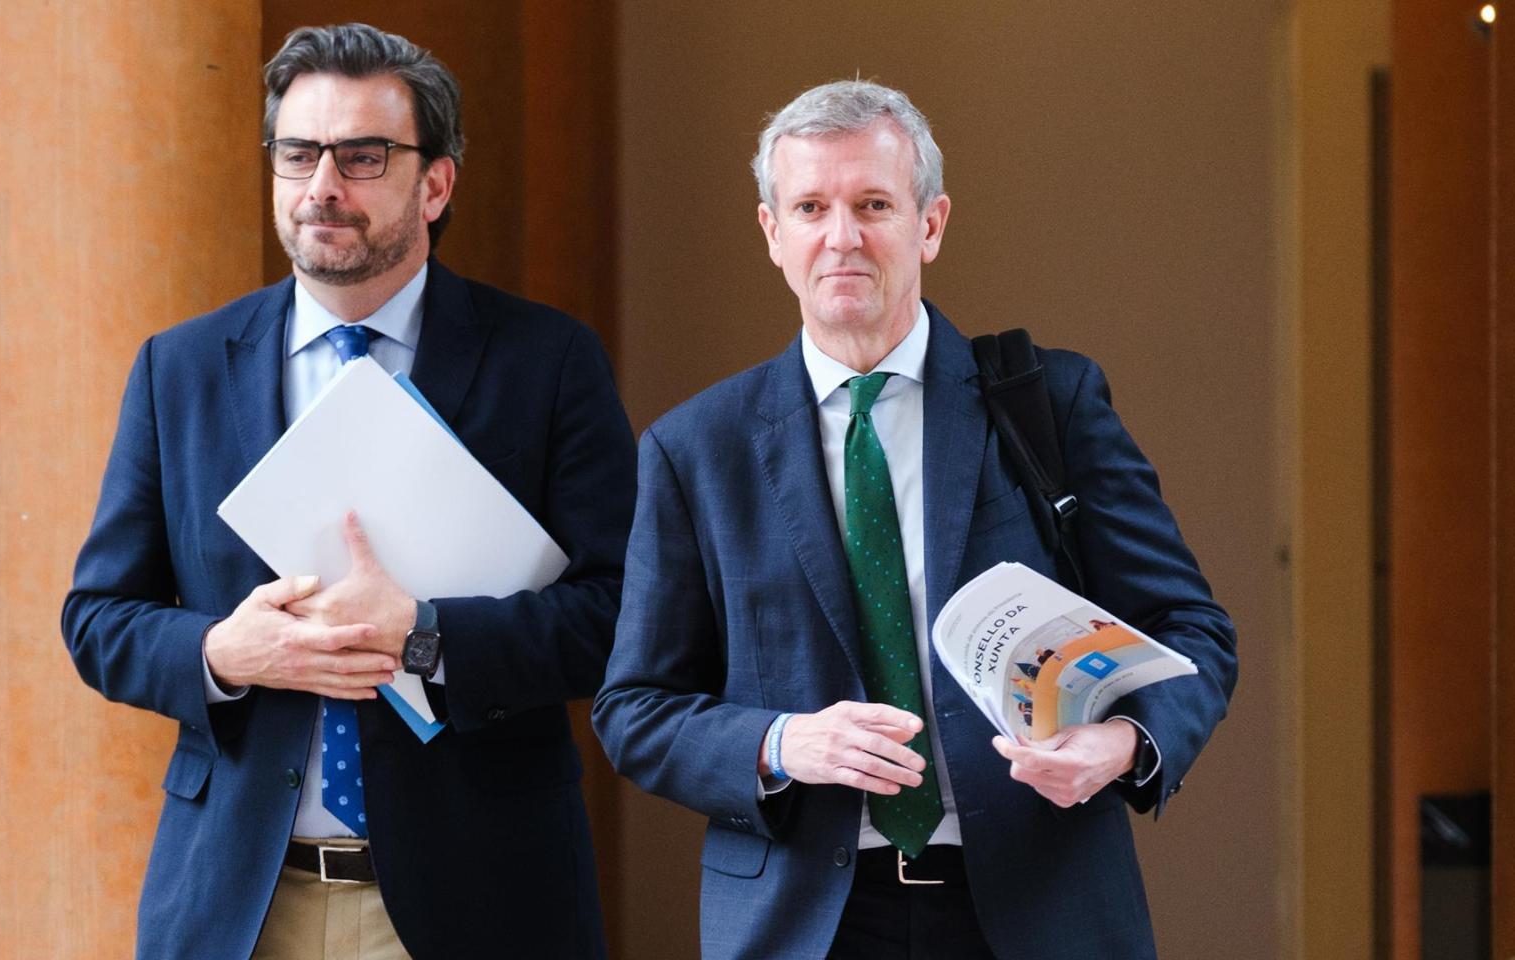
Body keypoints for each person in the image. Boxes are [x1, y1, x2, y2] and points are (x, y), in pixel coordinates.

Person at [592, 80, 1236, 960]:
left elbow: (1192, 630)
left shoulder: (1050, 402)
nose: (842, 237)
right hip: (803, 922)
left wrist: (1122, 744)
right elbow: (635, 709)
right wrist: (784, 742)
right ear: (772, 232)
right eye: (811, 206)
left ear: (929, 224)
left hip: (1035, 910)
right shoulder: (696, 449)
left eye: (873, 205)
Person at [62, 23, 634, 960]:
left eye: (363, 157)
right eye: (298, 153)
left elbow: (621, 618)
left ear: (436, 183)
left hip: (480, 900)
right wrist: (222, 650)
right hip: (242, 905)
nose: (322, 185)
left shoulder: (548, 361)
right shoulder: (183, 367)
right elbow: (97, 619)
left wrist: (426, 633)